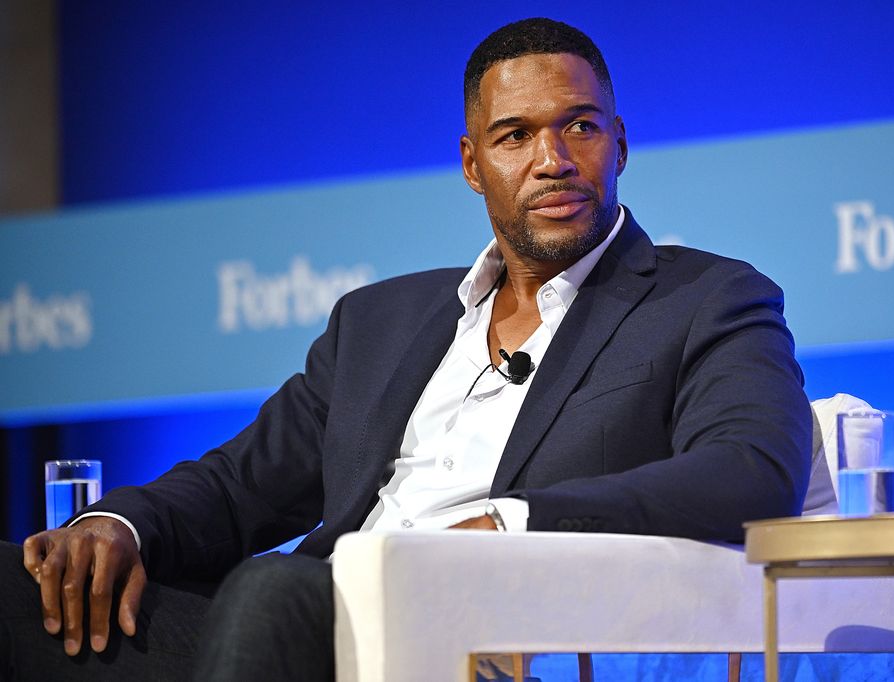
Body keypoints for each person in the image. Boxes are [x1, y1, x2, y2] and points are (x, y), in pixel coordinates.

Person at [0, 17, 811, 681]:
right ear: (471, 163)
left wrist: (514, 524)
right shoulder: (377, 321)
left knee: (275, 588)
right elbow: (236, 485)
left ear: (621, 144)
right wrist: (118, 524)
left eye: (581, 127)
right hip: (294, 633)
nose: (553, 161)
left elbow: (750, 470)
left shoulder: (707, 298)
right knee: (13, 588)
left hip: (483, 644)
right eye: (515, 135)